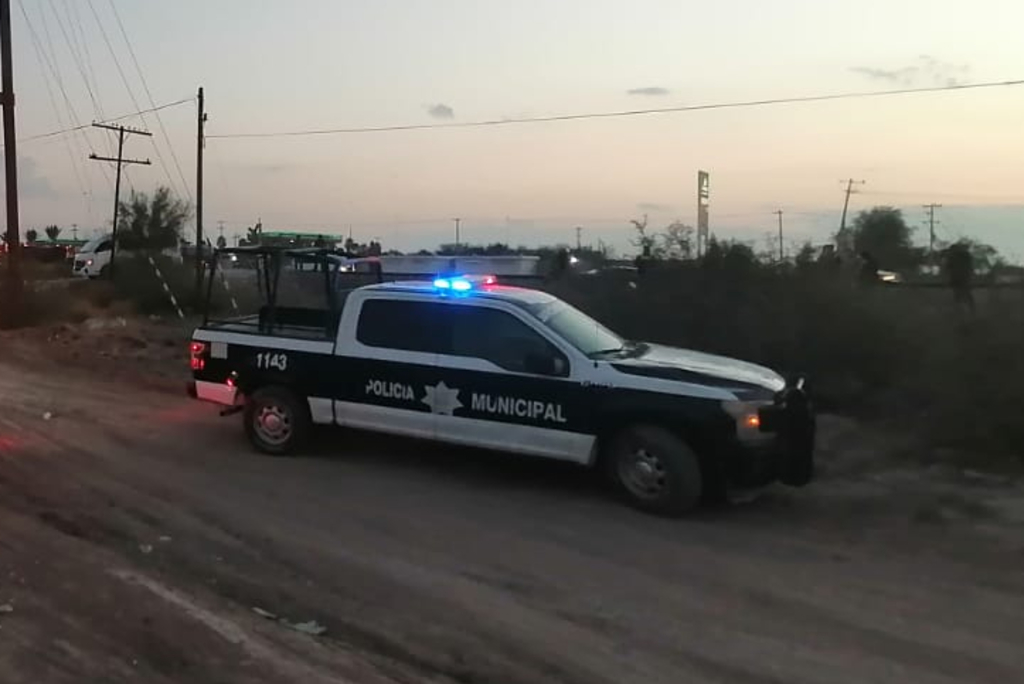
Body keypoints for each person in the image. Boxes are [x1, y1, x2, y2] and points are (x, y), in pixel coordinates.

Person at [945, 242, 975, 313]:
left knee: (960, 293)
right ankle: (968, 308)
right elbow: (970, 267)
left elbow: (948, 267)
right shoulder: (965, 255)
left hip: (959, 277)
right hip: (962, 277)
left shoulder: (953, 256)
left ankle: (964, 308)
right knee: (964, 293)